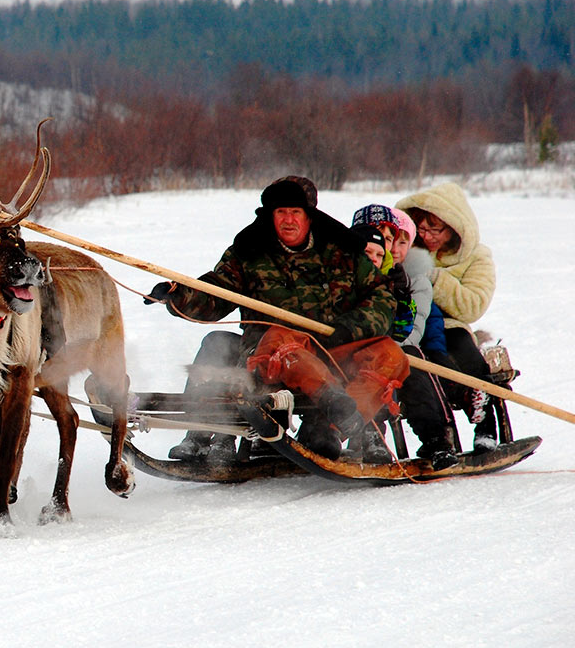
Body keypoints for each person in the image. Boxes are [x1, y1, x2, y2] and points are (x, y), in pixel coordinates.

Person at [145, 176, 409, 461]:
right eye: (280, 212)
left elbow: (382, 299)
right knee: (276, 345)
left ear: (310, 217)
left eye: (295, 212)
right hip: (270, 353)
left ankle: (335, 427)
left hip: (333, 348)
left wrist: (348, 329)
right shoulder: (248, 253)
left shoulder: (343, 251)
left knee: (390, 355)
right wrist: (177, 295)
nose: (288, 220)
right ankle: (203, 432)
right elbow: (215, 293)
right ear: (269, 216)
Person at [353, 208, 459, 469]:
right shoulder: (344, 273)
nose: (381, 244)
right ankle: (371, 436)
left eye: (388, 240)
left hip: (399, 349)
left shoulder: (405, 280)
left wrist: (390, 349)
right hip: (354, 351)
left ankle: (436, 439)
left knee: (408, 360)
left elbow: (411, 329)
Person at [396, 183, 498, 453]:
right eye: (422, 228)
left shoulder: (477, 257)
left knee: (470, 359)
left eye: (435, 230)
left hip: (451, 327)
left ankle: (486, 428)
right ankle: (437, 436)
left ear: (454, 229)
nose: (427, 236)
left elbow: (472, 305)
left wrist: (433, 277)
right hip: (407, 323)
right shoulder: (404, 248)